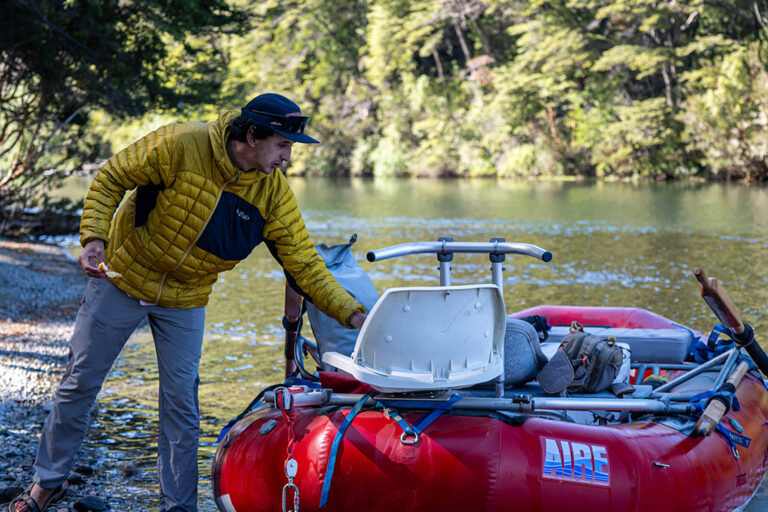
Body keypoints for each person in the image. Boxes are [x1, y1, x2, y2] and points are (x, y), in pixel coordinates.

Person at [10, 93, 367, 512]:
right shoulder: (182, 144)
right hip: (122, 278)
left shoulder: (273, 195)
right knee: (79, 383)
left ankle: (178, 506)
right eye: (282, 145)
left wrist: (354, 314)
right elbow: (112, 177)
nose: (288, 157)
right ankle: (46, 486)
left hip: (186, 298)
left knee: (181, 404)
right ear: (252, 135)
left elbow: (305, 266)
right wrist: (94, 238)